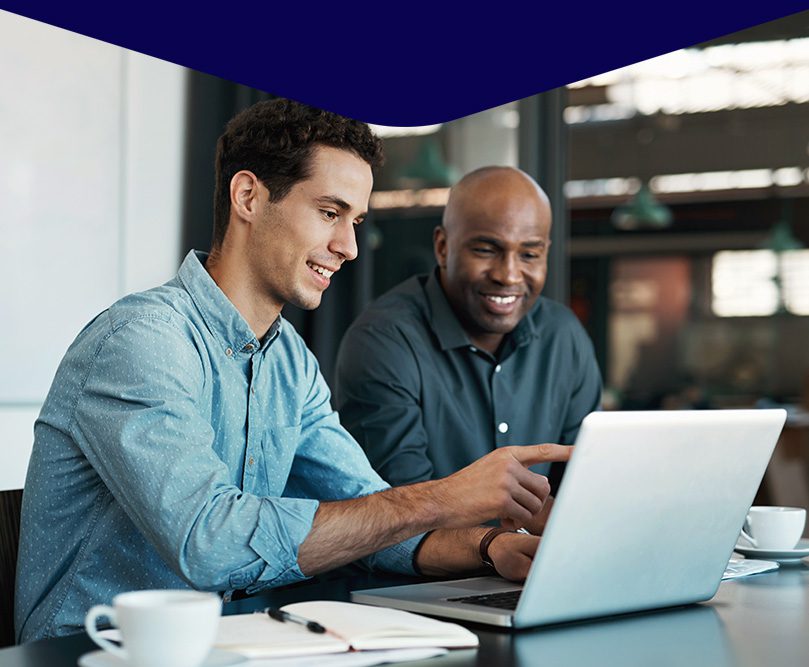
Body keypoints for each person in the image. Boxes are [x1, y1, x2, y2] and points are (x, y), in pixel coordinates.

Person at [15, 100, 569, 642]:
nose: (348, 246)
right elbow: (211, 545)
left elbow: (372, 522)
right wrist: (443, 497)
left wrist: (489, 546)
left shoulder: (290, 363)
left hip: (239, 648)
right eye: (330, 213)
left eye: (355, 220)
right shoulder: (142, 342)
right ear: (249, 196)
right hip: (97, 654)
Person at [335, 166, 601, 522]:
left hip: (540, 569)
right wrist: (496, 545)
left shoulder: (563, 336)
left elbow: (585, 489)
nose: (508, 274)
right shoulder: (384, 340)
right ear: (443, 247)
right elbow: (398, 514)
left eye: (529, 254)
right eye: (487, 250)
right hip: (419, 578)